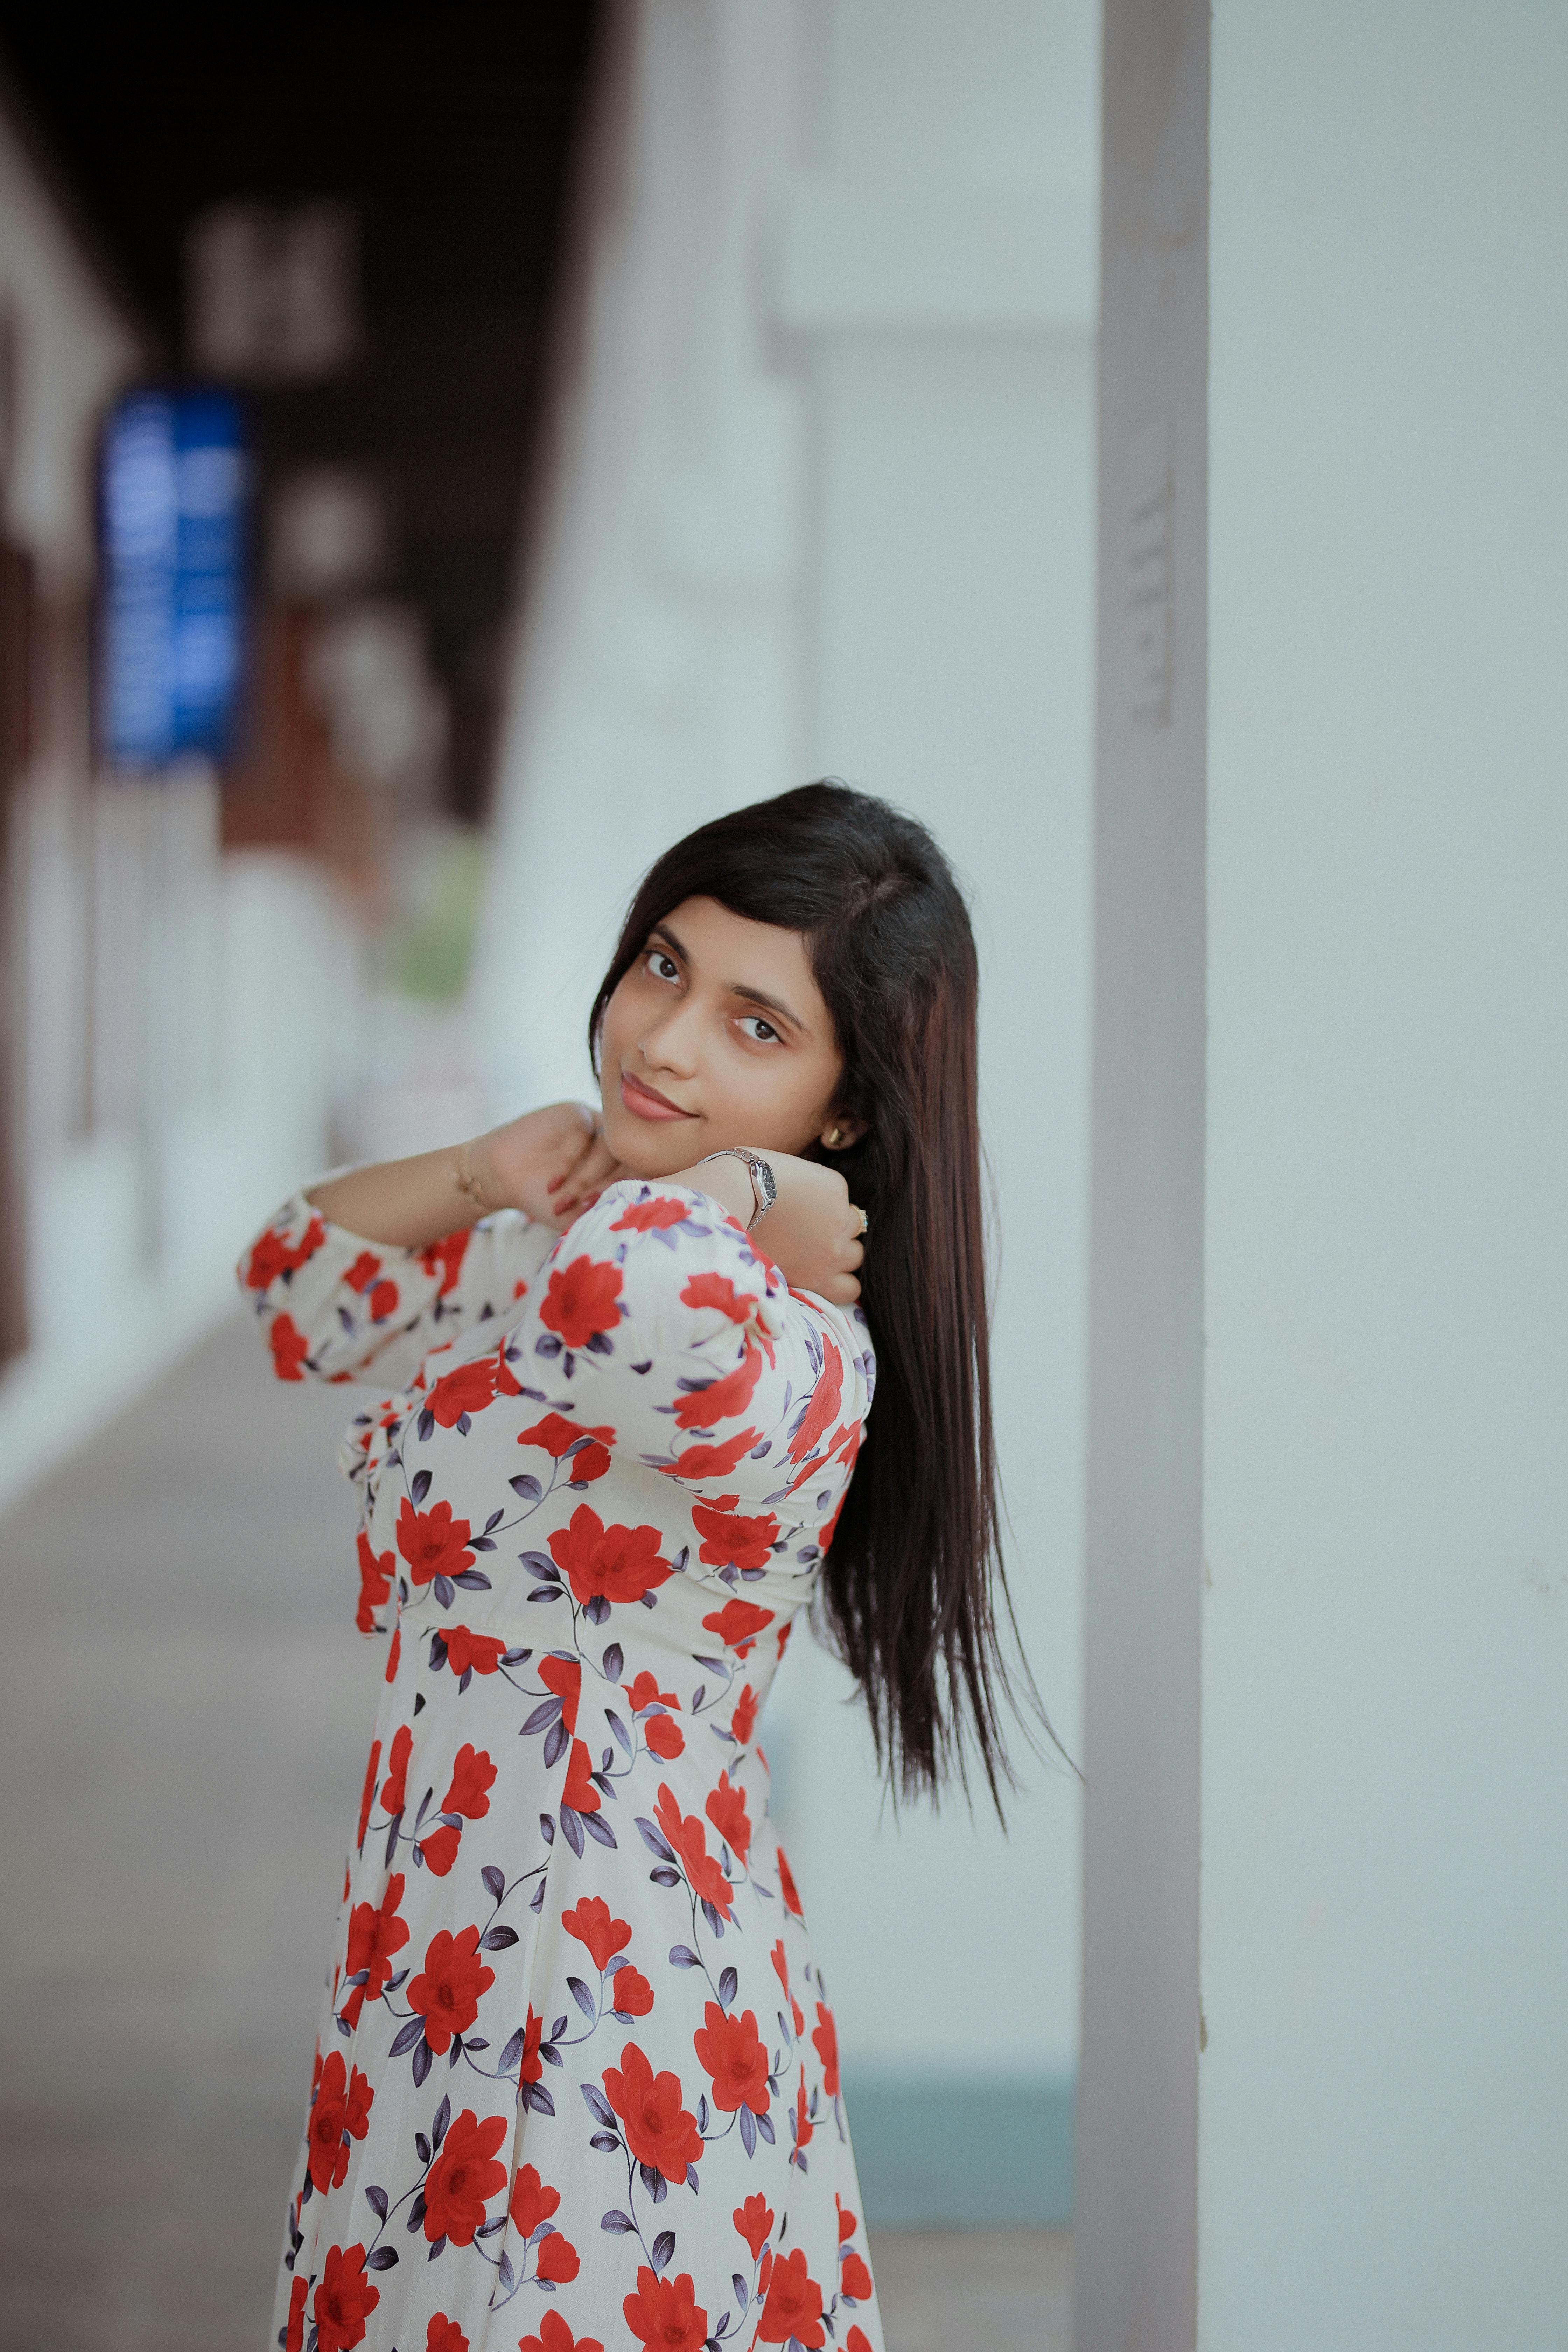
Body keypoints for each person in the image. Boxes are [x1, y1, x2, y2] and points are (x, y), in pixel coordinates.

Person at [242, 780, 1016, 2352]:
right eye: (663, 966)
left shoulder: (782, 1346)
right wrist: (483, 1166)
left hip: (613, 1993)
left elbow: (615, 1311)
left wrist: (734, 1199)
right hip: (436, 1946)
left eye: (753, 1026)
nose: (663, 1042)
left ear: (846, 1112)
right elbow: (293, 1292)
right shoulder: (569, 1236)